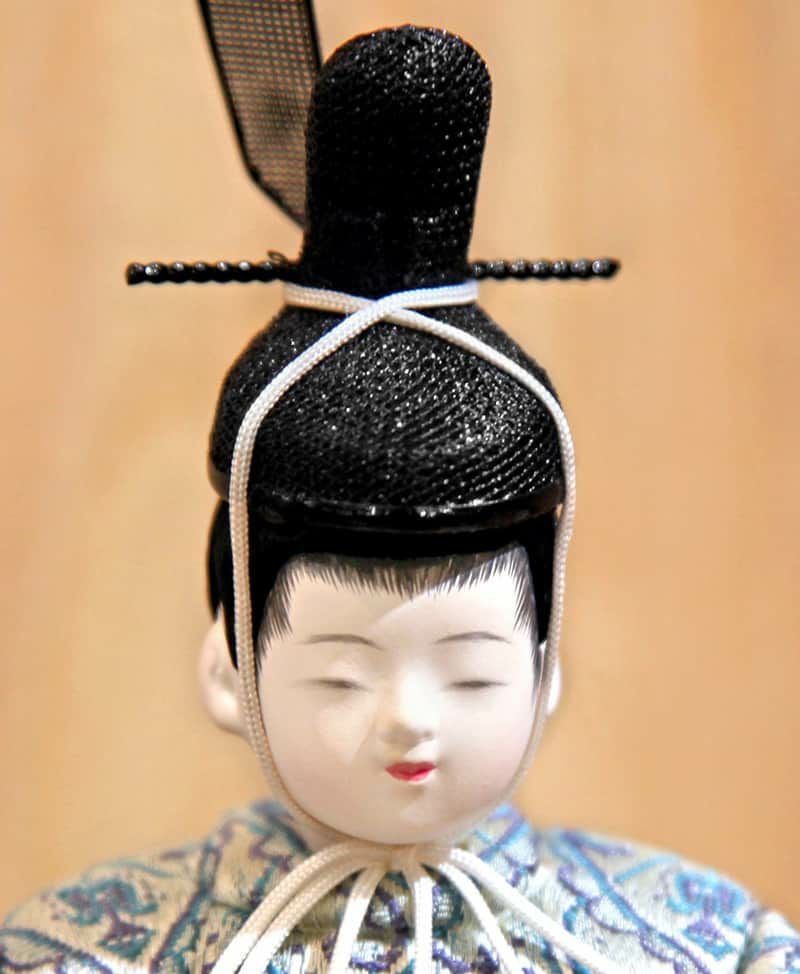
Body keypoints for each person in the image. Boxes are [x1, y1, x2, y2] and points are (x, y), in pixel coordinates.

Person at [2, 20, 797, 974]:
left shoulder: (724, 948)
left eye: (472, 674)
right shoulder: (67, 954)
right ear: (228, 665)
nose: (409, 720)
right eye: (340, 676)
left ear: (546, 668)